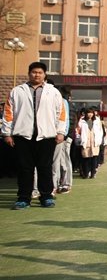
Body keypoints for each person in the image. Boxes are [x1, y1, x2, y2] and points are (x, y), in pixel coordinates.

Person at [2, 62, 67, 209]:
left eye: (40, 72)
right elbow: (8, 113)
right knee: (25, 168)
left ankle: (46, 197)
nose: (36, 75)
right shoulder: (17, 91)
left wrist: (60, 132)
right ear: (29, 73)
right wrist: (7, 133)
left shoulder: (53, 92)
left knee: (45, 167)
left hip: (46, 136)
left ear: (44, 75)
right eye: (34, 72)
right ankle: (24, 198)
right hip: (23, 135)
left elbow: (61, 114)